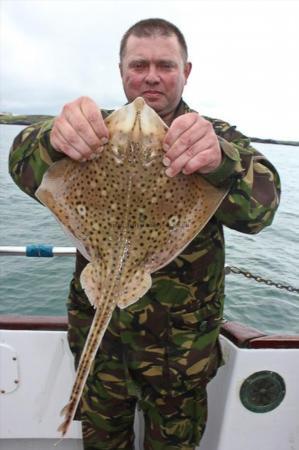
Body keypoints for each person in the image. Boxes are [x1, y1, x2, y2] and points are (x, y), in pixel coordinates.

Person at [9, 18, 280, 450]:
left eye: (165, 65)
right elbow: (21, 162)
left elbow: (262, 209)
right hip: (103, 357)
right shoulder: (92, 131)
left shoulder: (215, 137)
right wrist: (53, 138)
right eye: (139, 64)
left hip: (181, 358)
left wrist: (220, 162)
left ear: (185, 72)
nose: (151, 75)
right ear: (121, 71)